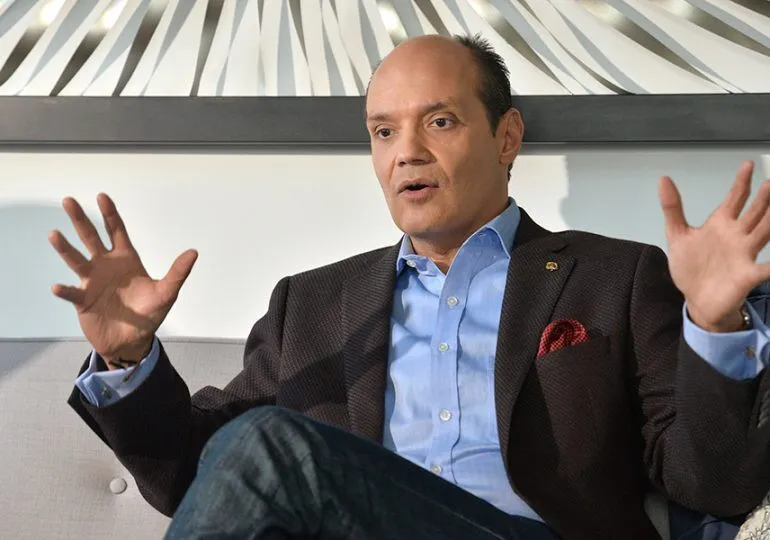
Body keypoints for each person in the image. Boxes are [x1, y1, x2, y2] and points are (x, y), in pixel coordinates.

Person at [51, 34, 770, 540]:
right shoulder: (312, 303)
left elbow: (713, 486)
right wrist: (127, 360)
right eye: (383, 132)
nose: (407, 154)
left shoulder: (616, 276)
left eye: (440, 122)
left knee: (267, 442)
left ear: (507, 137)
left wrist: (716, 326)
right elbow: (198, 479)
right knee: (255, 446)